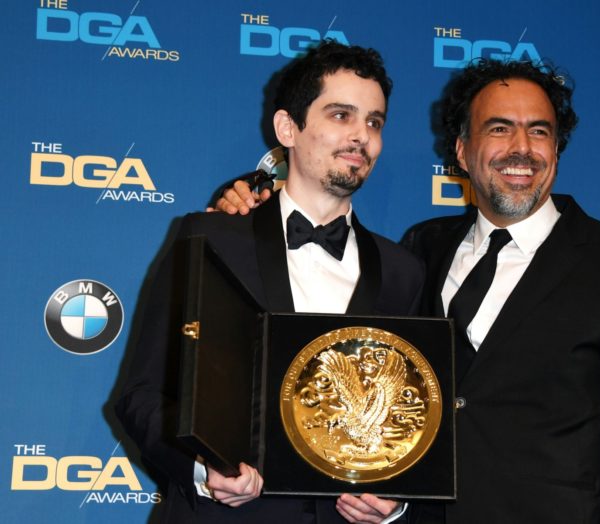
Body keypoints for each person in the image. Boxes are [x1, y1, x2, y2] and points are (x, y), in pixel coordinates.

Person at [215, 59, 600, 523]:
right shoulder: (422, 249)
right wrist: (251, 209)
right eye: (500, 128)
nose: (522, 148)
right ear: (463, 151)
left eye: (540, 131)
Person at [115, 41, 423, 523]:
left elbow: (414, 417)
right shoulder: (209, 236)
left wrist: (396, 502)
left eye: (374, 121)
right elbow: (142, 394)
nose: (362, 135)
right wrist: (202, 469)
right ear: (288, 128)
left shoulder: (404, 270)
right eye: (341, 115)